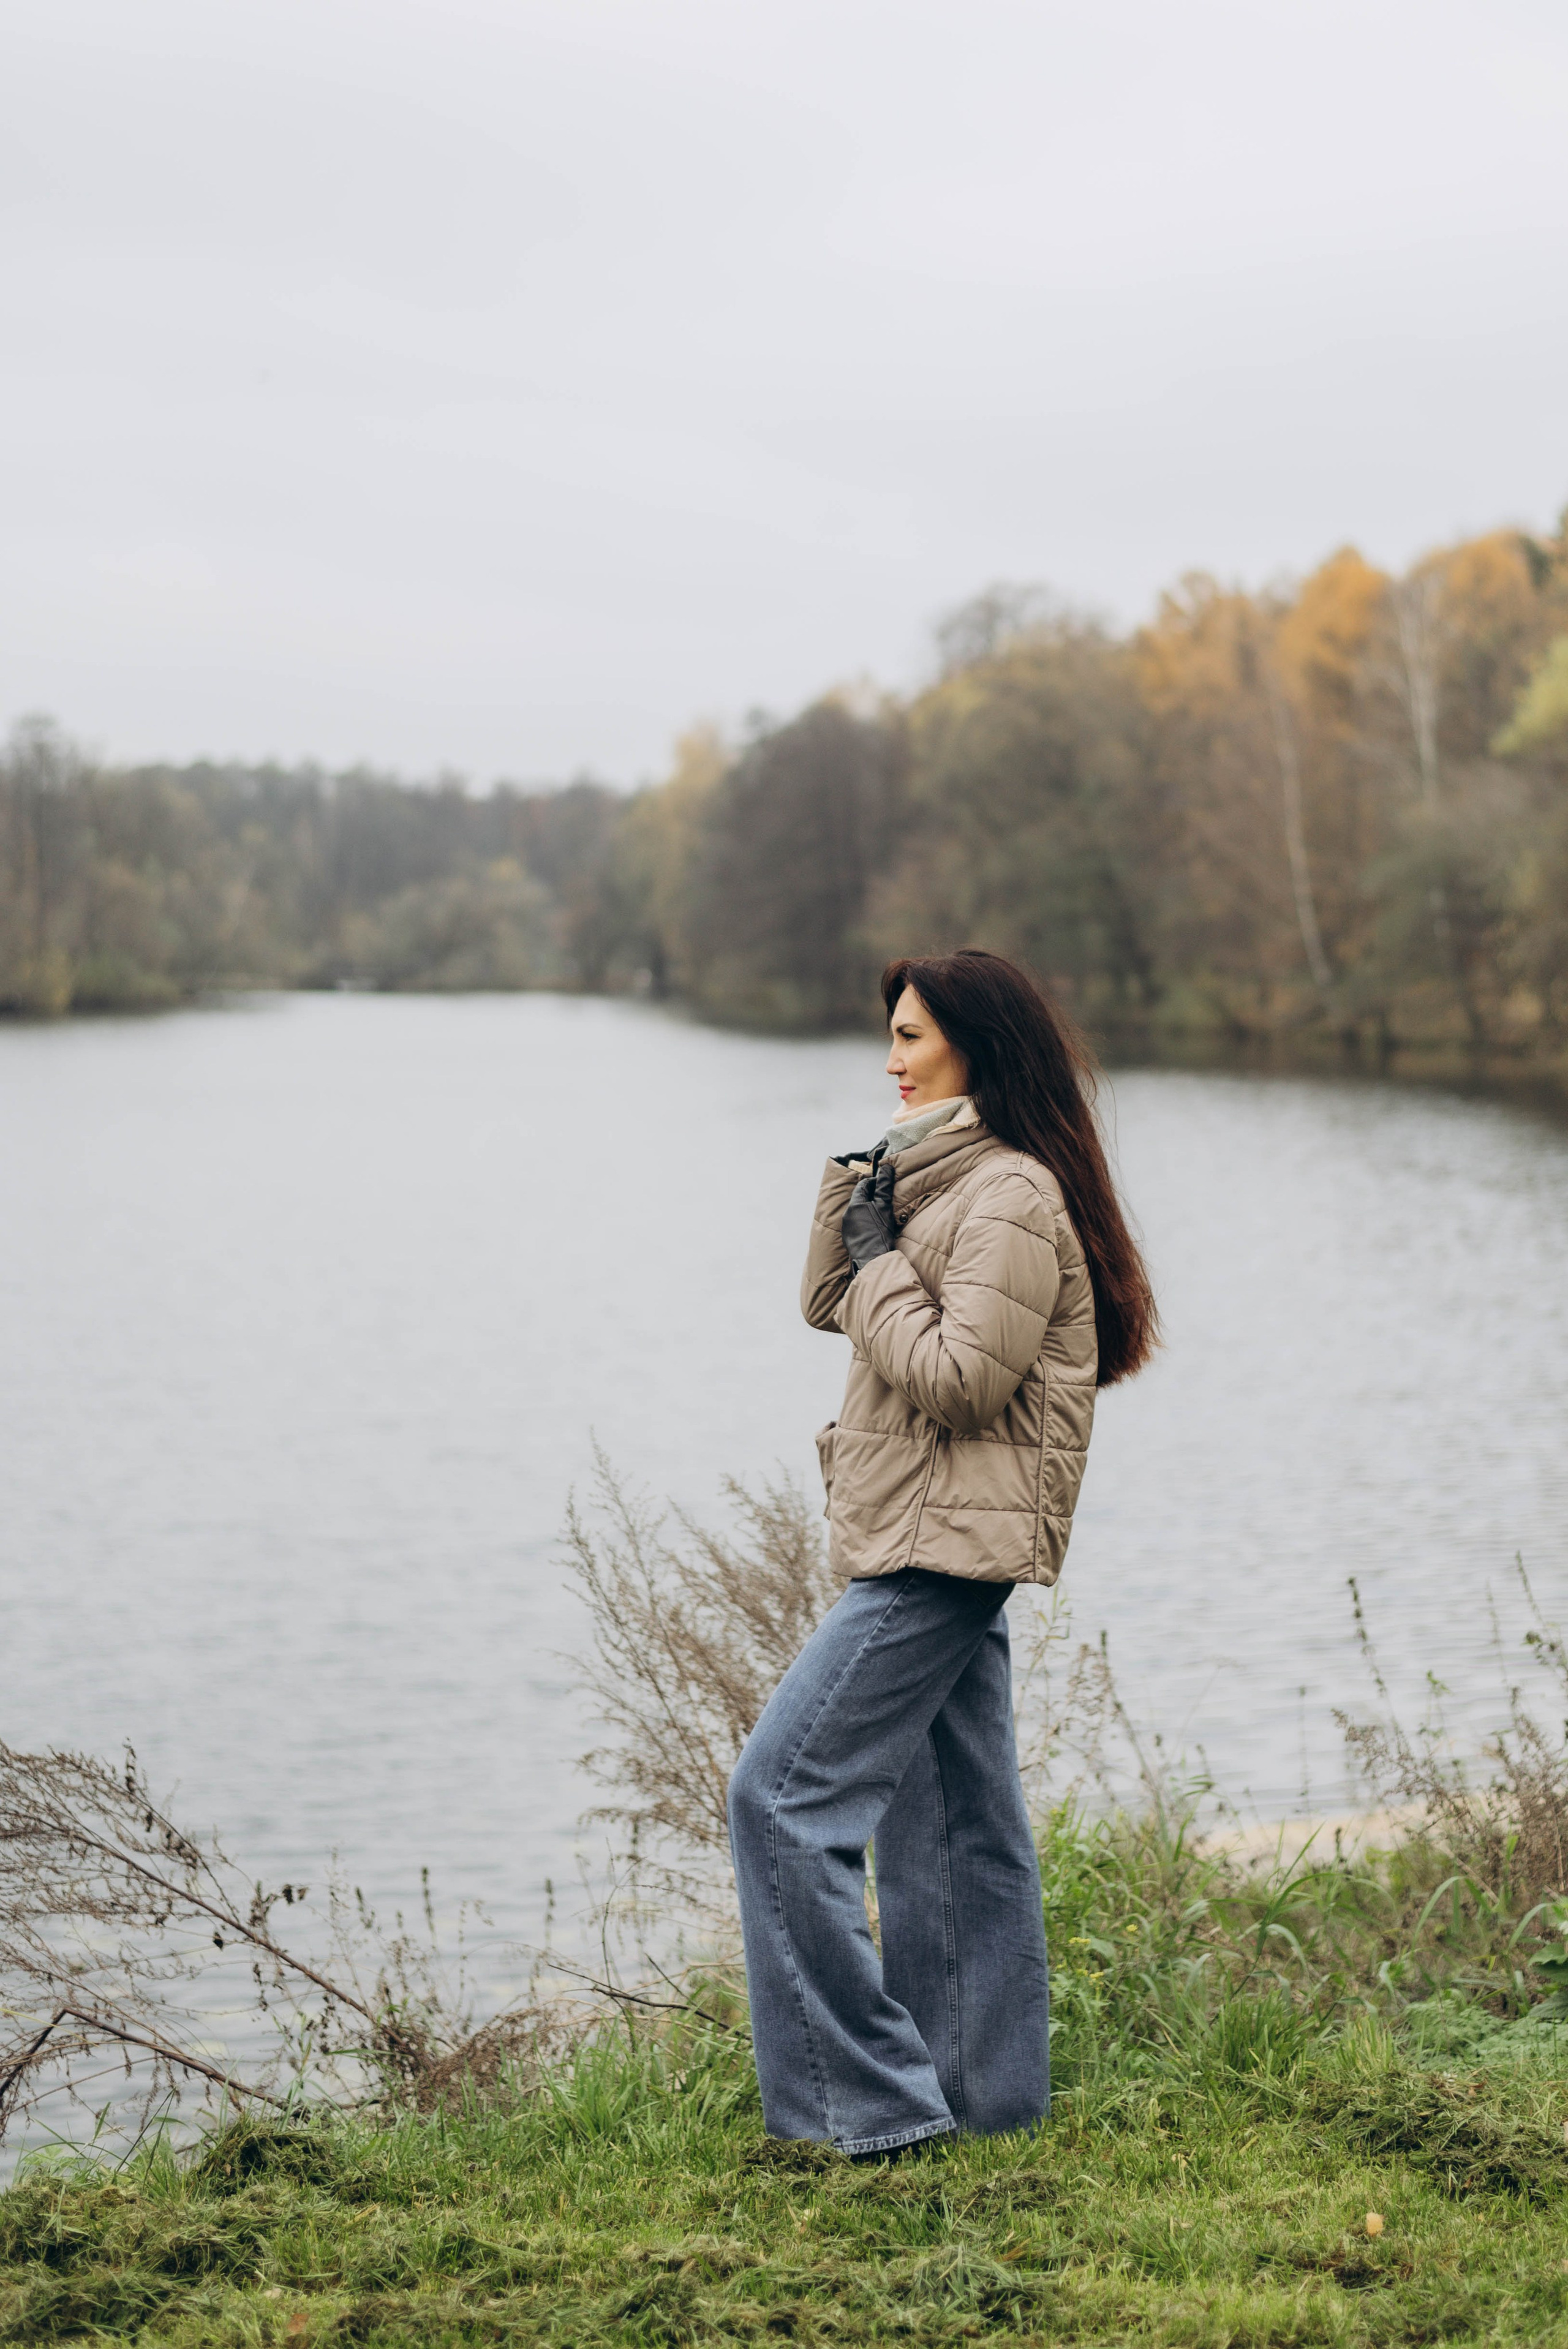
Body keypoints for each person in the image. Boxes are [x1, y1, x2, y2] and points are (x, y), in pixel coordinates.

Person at [726, 948, 1157, 2156]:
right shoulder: (945, 1181)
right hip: (924, 1534)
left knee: (779, 1801)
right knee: (952, 1838)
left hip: (937, 1548)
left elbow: (962, 1381)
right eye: (891, 1035)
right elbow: (827, 1300)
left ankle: (861, 2111)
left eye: (911, 1036)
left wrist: (878, 1255)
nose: (891, 1057)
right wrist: (862, 1199)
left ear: (975, 1042)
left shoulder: (1011, 1194)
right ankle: (985, 2105)